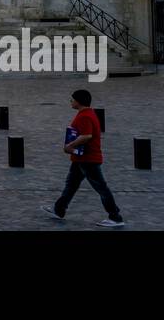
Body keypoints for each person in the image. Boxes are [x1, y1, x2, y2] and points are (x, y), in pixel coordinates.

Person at [41, 89, 125, 227]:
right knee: (71, 184)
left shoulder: (84, 116)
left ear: (79, 101)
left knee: (101, 188)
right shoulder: (87, 113)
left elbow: (87, 135)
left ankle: (115, 217)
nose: (71, 101)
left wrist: (70, 146)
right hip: (80, 159)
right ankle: (59, 209)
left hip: (88, 159)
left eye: (72, 99)